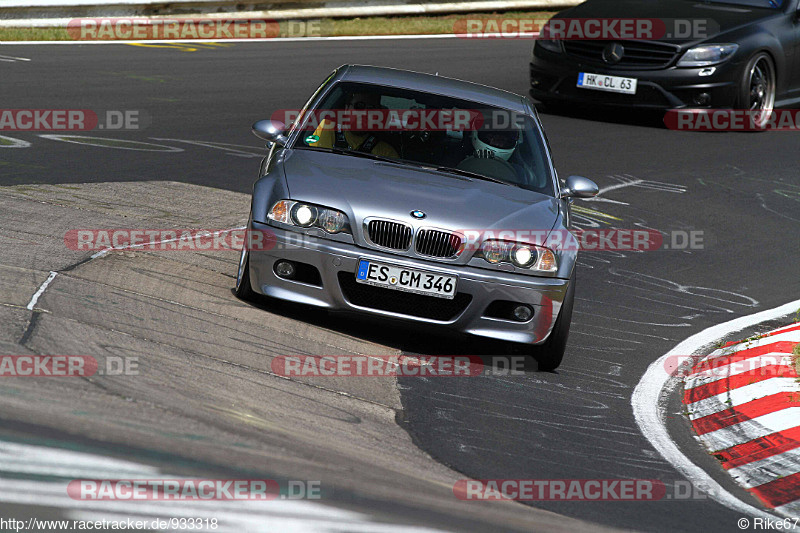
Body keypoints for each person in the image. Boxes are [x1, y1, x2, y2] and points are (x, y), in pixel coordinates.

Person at [307, 92, 399, 158]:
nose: (364, 113)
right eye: (359, 106)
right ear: (347, 109)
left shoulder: (386, 153)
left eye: (371, 108)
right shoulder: (326, 130)